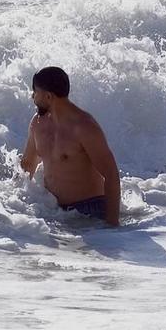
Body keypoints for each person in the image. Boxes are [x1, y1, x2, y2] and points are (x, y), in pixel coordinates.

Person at [18, 65, 121, 226]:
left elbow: (112, 175)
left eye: (35, 91)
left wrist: (112, 224)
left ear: (48, 97)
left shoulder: (84, 127)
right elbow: (28, 165)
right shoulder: (37, 123)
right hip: (52, 210)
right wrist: (16, 203)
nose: (32, 96)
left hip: (88, 212)